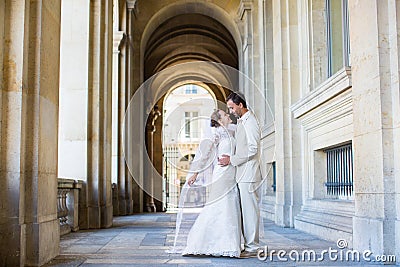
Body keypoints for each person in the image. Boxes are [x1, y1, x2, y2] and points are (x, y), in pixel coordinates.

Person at [181, 109, 242, 258]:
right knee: (221, 205)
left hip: (231, 173)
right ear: (220, 120)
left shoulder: (230, 130)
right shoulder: (217, 133)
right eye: (225, 115)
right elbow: (205, 154)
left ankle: (229, 243)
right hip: (221, 173)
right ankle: (214, 243)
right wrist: (195, 173)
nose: (229, 115)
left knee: (230, 204)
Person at [218, 92, 261, 258]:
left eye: (232, 107)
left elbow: (253, 148)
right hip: (242, 173)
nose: (231, 111)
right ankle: (248, 245)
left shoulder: (250, 121)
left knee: (250, 211)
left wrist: (232, 160)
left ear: (240, 105)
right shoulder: (243, 121)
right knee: (244, 211)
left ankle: (253, 247)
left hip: (249, 173)